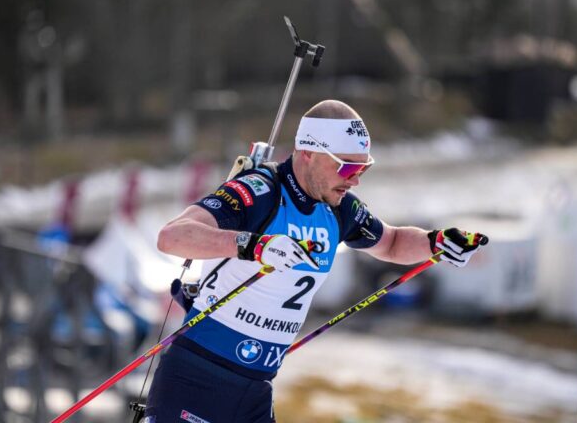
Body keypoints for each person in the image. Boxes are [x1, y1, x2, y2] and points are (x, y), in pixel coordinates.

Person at [145, 100, 488, 423]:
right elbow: (172, 236)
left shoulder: (339, 210)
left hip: (255, 389)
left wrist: (437, 242)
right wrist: (254, 245)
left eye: (364, 167)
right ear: (307, 152)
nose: (355, 178)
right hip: (197, 377)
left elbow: (393, 242)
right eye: (348, 166)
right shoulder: (259, 193)